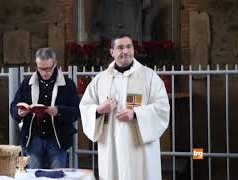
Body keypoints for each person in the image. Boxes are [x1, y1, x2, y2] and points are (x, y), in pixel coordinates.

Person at [79, 34, 170, 180]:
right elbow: (85, 107)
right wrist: (99, 110)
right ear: (112, 52)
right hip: (110, 144)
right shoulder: (100, 79)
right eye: (120, 47)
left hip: (139, 148)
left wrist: (136, 114)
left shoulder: (149, 77)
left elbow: (162, 108)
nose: (125, 51)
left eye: (129, 47)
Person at [10, 47, 79, 169]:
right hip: (33, 138)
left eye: (48, 68)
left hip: (58, 140)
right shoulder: (27, 84)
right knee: (33, 176)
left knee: (56, 176)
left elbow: (77, 112)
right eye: (40, 68)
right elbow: (13, 108)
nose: (44, 72)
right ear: (36, 65)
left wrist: (58, 111)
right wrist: (20, 112)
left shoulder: (68, 85)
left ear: (55, 64)